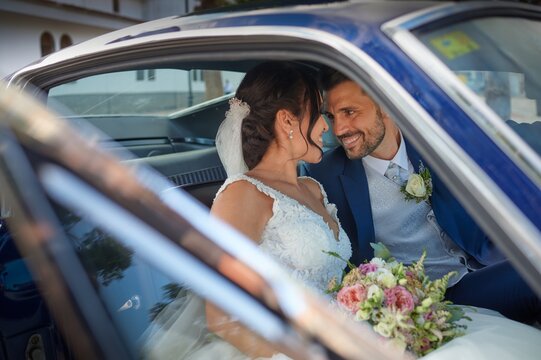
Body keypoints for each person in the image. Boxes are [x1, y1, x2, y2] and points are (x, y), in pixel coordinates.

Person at [144, 62, 541, 360]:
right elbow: (223, 316)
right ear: (288, 122)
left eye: (347, 113)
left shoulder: (313, 187)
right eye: (325, 115)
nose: (332, 129)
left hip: (375, 319)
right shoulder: (257, 192)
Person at [302, 67, 541, 326]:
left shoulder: (435, 138)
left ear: (386, 105)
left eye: (350, 112)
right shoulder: (324, 175)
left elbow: (514, 139)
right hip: (428, 302)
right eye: (331, 116)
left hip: (487, 266)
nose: (339, 129)